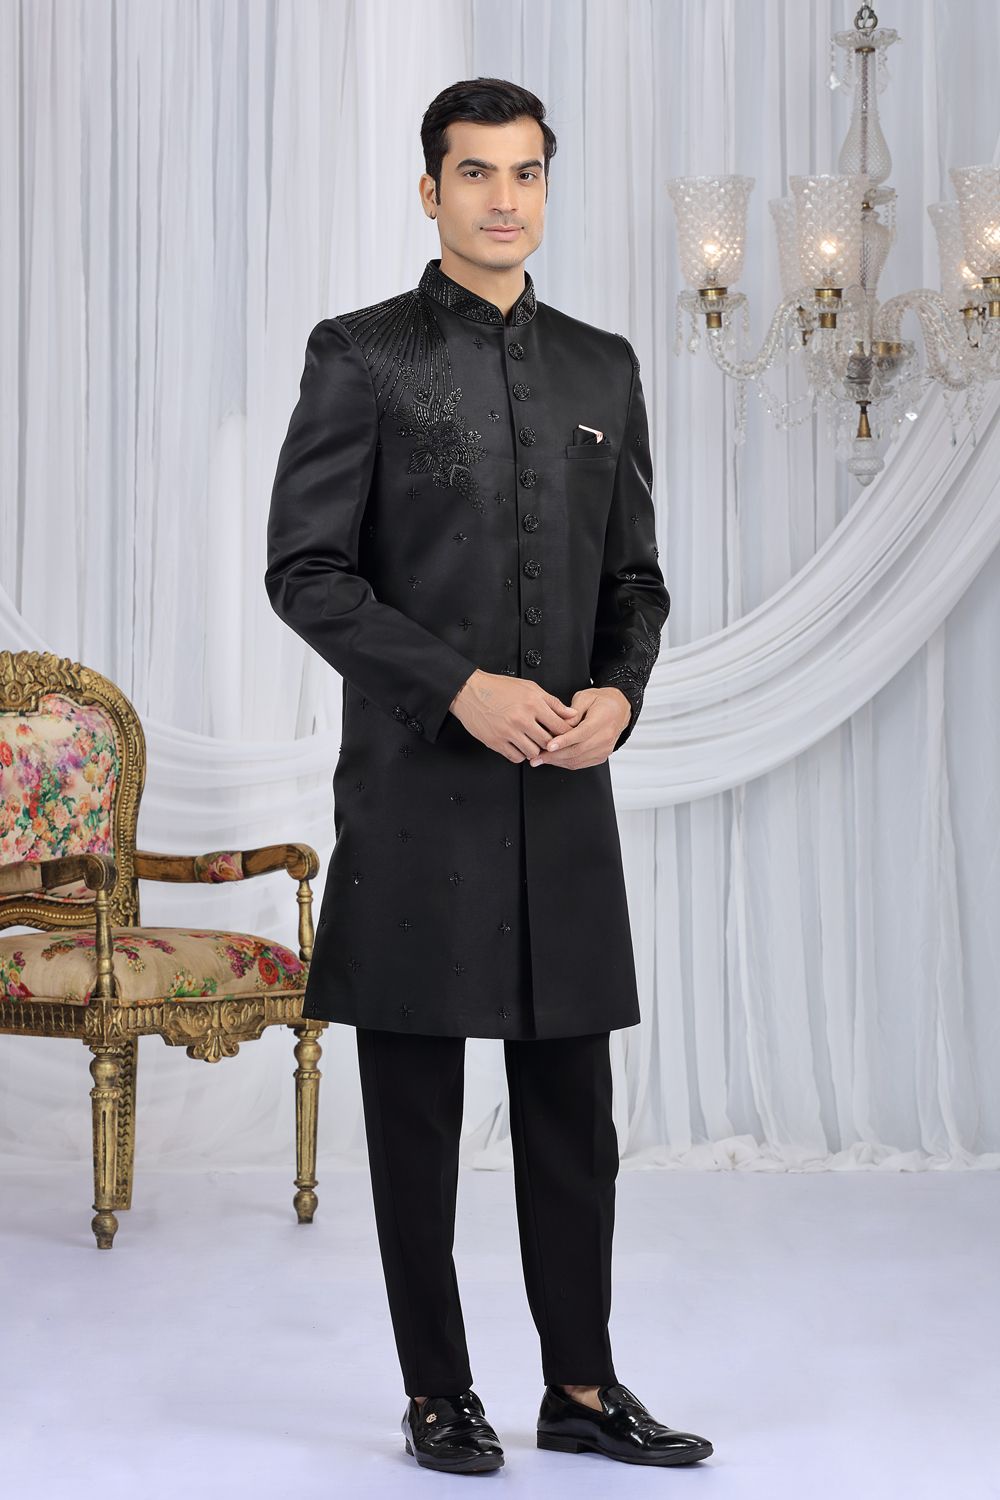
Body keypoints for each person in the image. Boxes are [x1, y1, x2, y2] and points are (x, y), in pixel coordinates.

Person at [265, 75, 713, 1475]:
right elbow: (306, 573)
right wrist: (459, 684)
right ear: (430, 190)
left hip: (564, 798)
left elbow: (635, 581)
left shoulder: (602, 367)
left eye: (525, 174)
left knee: (573, 1111)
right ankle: (437, 1393)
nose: (502, 199)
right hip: (415, 797)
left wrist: (618, 694)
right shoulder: (360, 355)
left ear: (546, 188)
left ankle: (581, 1389)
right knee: (416, 1114)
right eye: (475, 173)